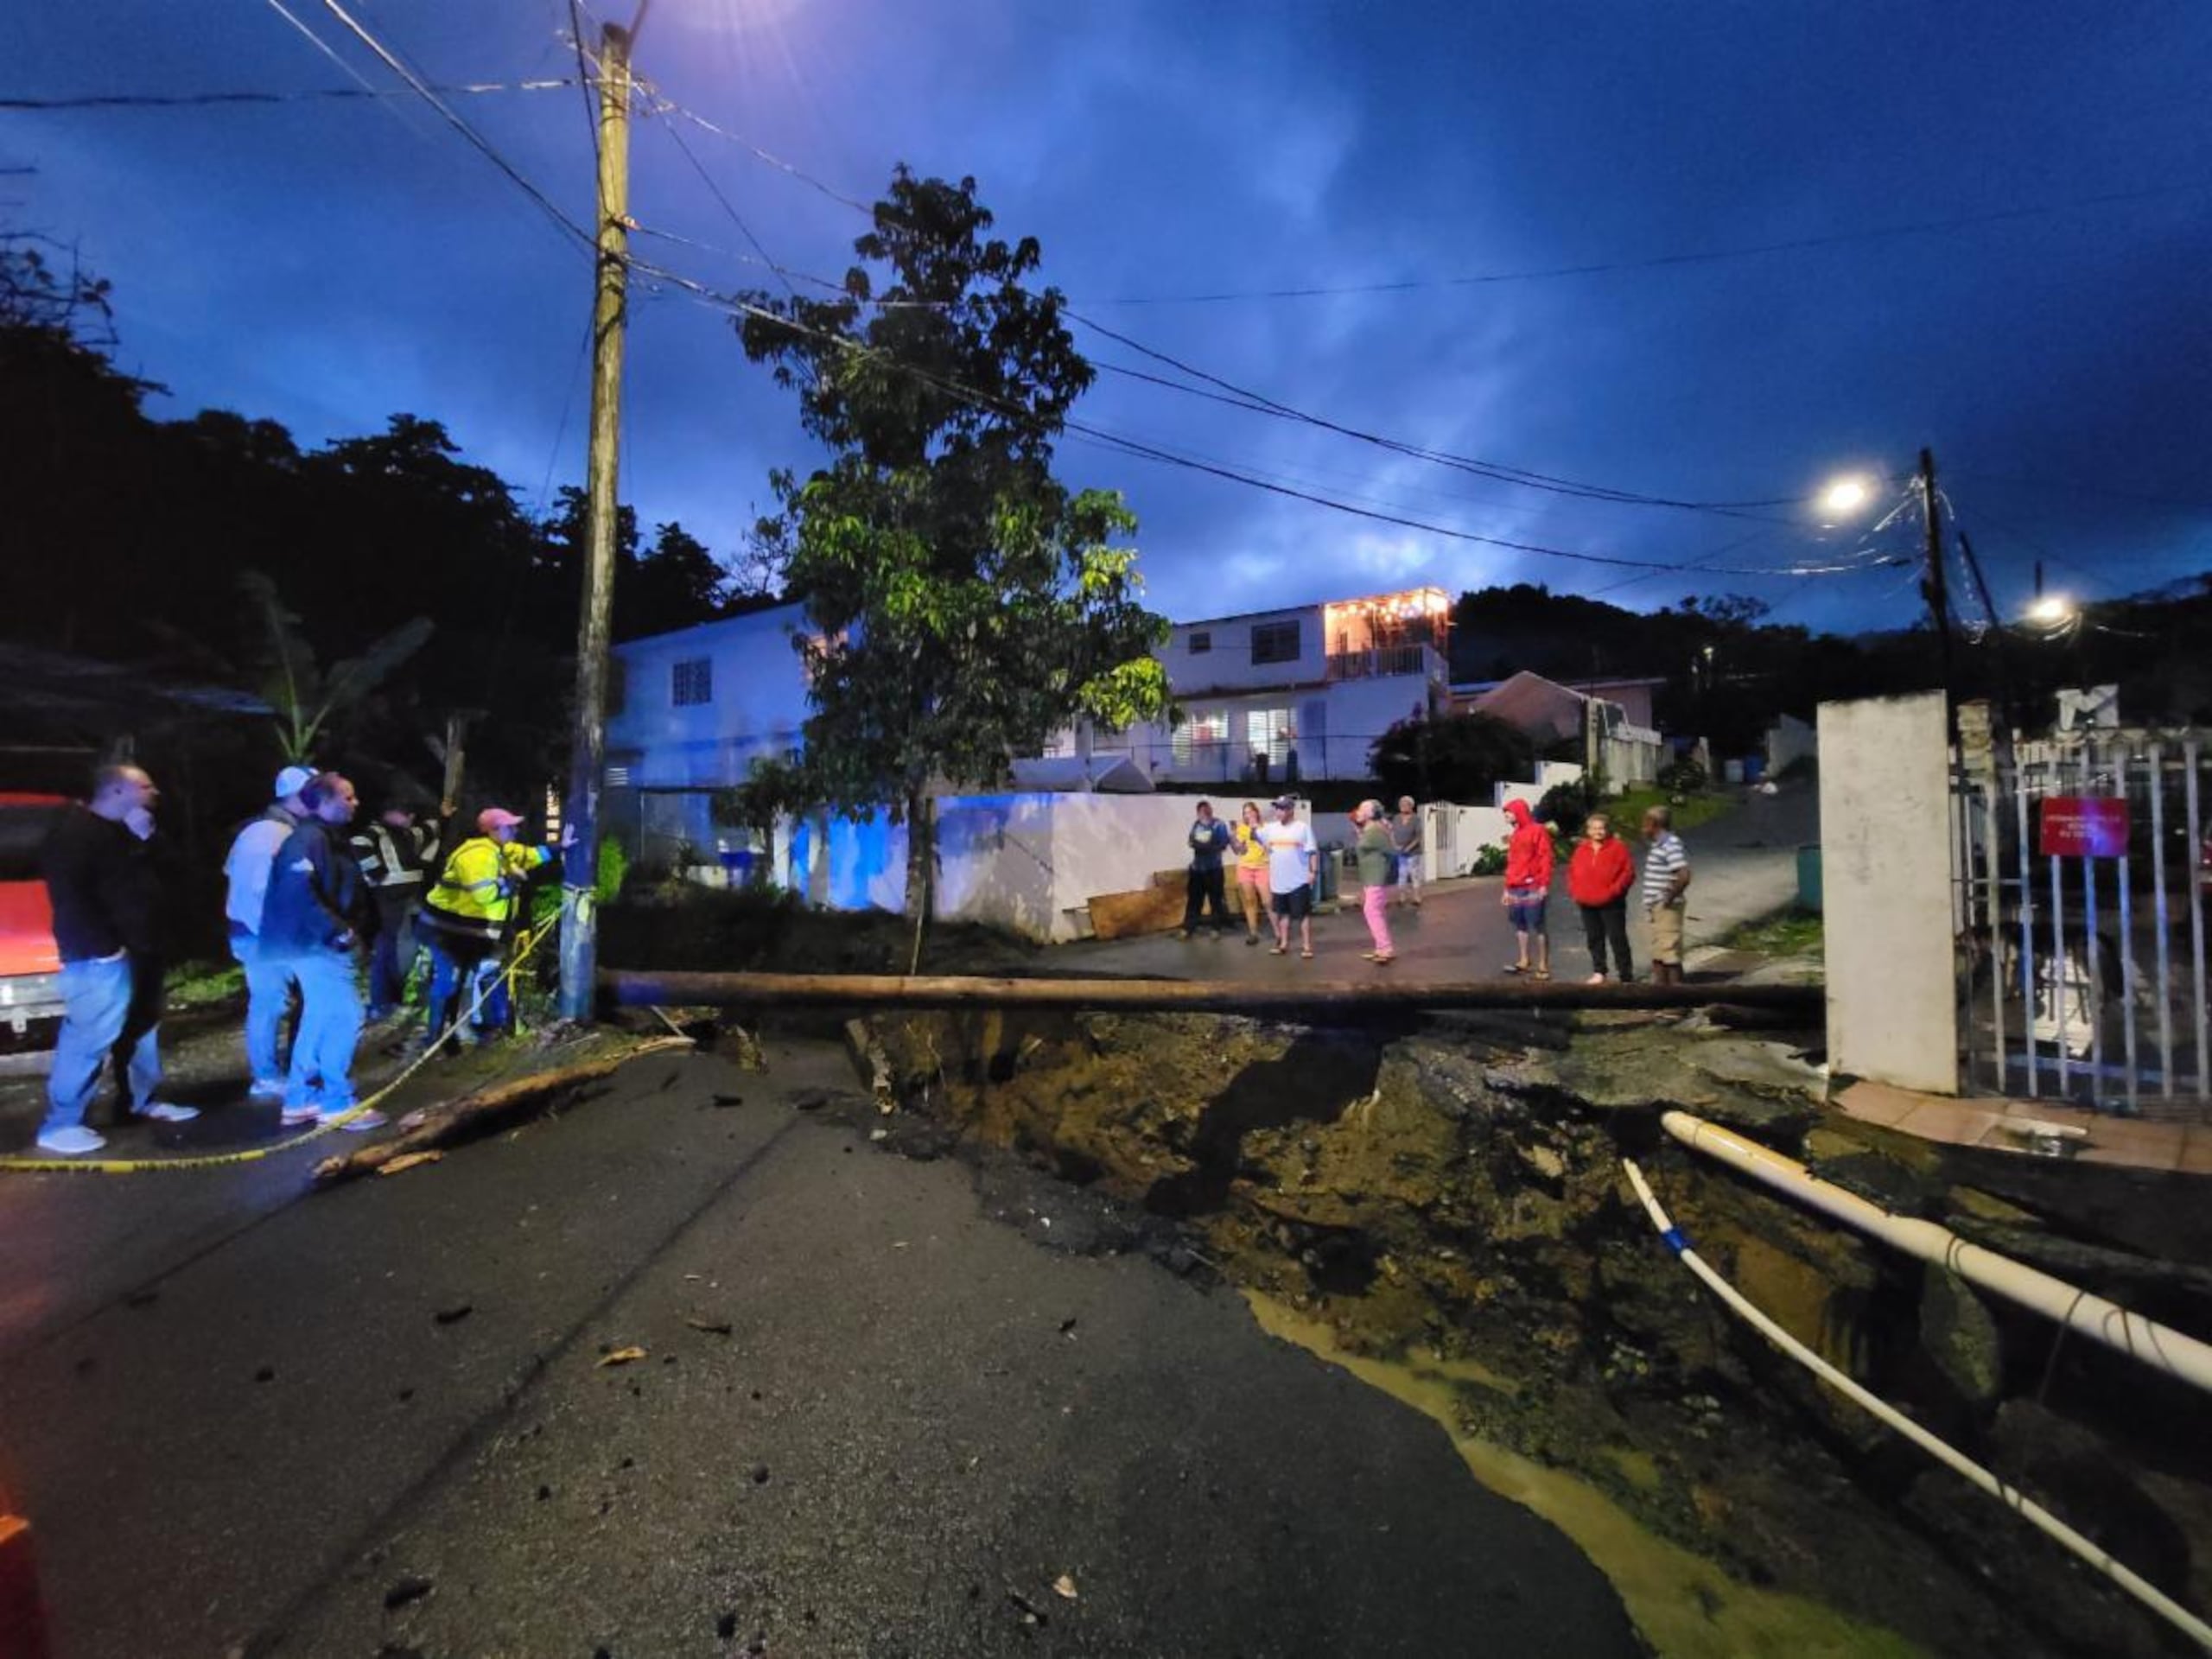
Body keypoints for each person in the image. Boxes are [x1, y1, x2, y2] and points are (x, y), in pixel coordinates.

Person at [35, 765, 199, 1155]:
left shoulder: (129, 831)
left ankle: (139, 1101)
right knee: (89, 1036)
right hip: (100, 956)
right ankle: (61, 1124)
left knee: (141, 1029)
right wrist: (103, 949)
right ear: (116, 792)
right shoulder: (75, 835)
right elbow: (72, 899)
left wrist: (148, 839)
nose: (155, 792)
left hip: (142, 947)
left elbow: (174, 871)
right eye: (145, 786)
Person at [260, 772, 383, 1131]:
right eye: (348, 797)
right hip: (317, 945)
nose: (355, 803)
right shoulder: (310, 839)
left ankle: (301, 1098)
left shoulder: (323, 838)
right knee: (343, 1017)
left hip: (313, 943)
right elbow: (299, 893)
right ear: (325, 802)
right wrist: (339, 931)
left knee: (319, 1017)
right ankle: (336, 1101)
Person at [416, 807, 556, 1050]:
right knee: (451, 980)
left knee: (478, 974)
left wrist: (561, 847)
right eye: (509, 826)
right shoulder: (477, 856)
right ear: (493, 830)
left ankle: (475, 1028)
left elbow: (530, 855)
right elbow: (485, 895)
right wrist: (513, 880)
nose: (515, 830)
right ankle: (437, 1037)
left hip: (465, 929)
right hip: (444, 930)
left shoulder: (500, 849)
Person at [221, 765, 314, 1099]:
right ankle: (266, 1076)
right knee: (270, 1003)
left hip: (260, 932)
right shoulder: (270, 835)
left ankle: (281, 1070)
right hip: (263, 935)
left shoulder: (266, 831)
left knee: (275, 1001)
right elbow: (258, 893)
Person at [350, 798, 440, 1021]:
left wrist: (443, 816)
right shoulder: (376, 833)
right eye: (407, 815)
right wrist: (376, 872)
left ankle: (387, 1001)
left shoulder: (403, 834)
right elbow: (358, 843)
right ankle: (387, 1003)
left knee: (393, 949)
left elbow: (427, 830)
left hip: (406, 900)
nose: (410, 820)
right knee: (396, 950)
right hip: (392, 901)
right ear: (391, 813)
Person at [1567, 811, 1636, 984]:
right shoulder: (1581, 850)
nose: (1598, 832)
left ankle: (1625, 975)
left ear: (1607, 830)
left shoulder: (1618, 847)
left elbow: (1628, 873)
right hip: (1587, 901)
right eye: (1594, 828)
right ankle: (1599, 971)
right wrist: (1575, 891)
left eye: (1602, 828)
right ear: (1588, 831)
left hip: (1612, 903)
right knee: (1594, 938)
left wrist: (1614, 891)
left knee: (1617, 938)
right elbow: (1573, 872)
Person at [1257, 795, 1320, 960]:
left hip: (1298, 880)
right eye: (1277, 808)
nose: (1278, 811)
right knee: (1283, 914)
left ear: (1291, 810)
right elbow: (1255, 832)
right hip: (1278, 880)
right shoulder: (1270, 828)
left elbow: (1312, 852)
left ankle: (1307, 946)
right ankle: (1284, 944)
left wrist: (1313, 872)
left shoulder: (1302, 828)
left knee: (1303, 914)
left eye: (1282, 808)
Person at [1500, 798, 1554, 979]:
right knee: (1519, 924)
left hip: (1533, 886)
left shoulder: (1537, 830)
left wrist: (1544, 884)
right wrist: (1506, 888)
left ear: (1519, 812)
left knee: (1538, 925)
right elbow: (1511, 863)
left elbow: (1545, 857)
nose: (1505, 815)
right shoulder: (1515, 834)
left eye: (1508, 812)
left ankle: (1543, 965)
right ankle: (1524, 959)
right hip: (1515, 886)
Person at [1642, 804, 1693, 987]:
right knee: (1658, 949)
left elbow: (1684, 875)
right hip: (1656, 905)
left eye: (1645, 823)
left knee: (1669, 948)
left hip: (1666, 905)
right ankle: (1660, 991)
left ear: (1653, 823)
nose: (1642, 828)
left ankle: (1676, 999)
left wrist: (1669, 897)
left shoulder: (1670, 843)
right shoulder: (1660, 844)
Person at [1177, 800, 1232, 938]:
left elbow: (1224, 843)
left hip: (1214, 869)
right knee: (1194, 900)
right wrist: (1195, 844)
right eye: (1202, 811)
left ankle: (1216, 929)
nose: (1205, 813)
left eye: (1208, 810)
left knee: (1215, 900)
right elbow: (1191, 840)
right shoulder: (1197, 825)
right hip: (1197, 869)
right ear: (1198, 813)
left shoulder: (1219, 824)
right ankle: (1188, 928)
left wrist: (1209, 847)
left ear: (1211, 811)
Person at [1351, 800, 1397, 964]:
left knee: (1371, 911)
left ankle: (1386, 948)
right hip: (1370, 876)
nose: (1358, 811)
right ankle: (1381, 948)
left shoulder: (1377, 831)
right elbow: (1366, 847)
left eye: (1362, 808)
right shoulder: (1370, 830)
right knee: (1376, 911)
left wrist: (1387, 873)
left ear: (1371, 814)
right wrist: (1358, 831)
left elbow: (1391, 852)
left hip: (1376, 877)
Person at [1228, 801, 1268, 946]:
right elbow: (1239, 850)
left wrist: (1255, 831)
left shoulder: (1265, 827)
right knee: (1250, 900)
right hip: (1245, 867)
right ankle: (1253, 933)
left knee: (1268, 901)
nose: (1248, 815)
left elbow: (1269, 846)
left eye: (1251, 811)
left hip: (1262, 866)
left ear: (1257, 812)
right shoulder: (1241, 829)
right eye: (1245, 813)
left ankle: (1279, 931)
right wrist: (1233, 835)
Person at [1389, 796, 1424, 909]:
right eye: (1401, 804)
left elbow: (1418, 837)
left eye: (1405, 804)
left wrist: (1409, 848)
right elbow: (1392, 833)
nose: (1402, 806)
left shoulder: (1416, 819)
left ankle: (1417, 898)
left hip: (1413, 852)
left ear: (1411, 806)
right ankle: (1402, 898)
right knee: (1402, 874)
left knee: (1414, 874)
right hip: (1400, 852)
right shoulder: (1396, 818)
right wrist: (1394, 845)